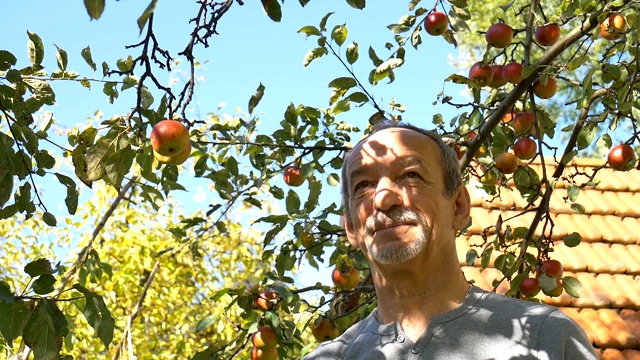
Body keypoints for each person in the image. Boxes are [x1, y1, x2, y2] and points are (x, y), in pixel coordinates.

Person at [304, 121, 597, 359]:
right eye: (364, 184)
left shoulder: (546, 339)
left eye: (410, 175)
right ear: (351, 228)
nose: (383, 198)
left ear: (458, 207)